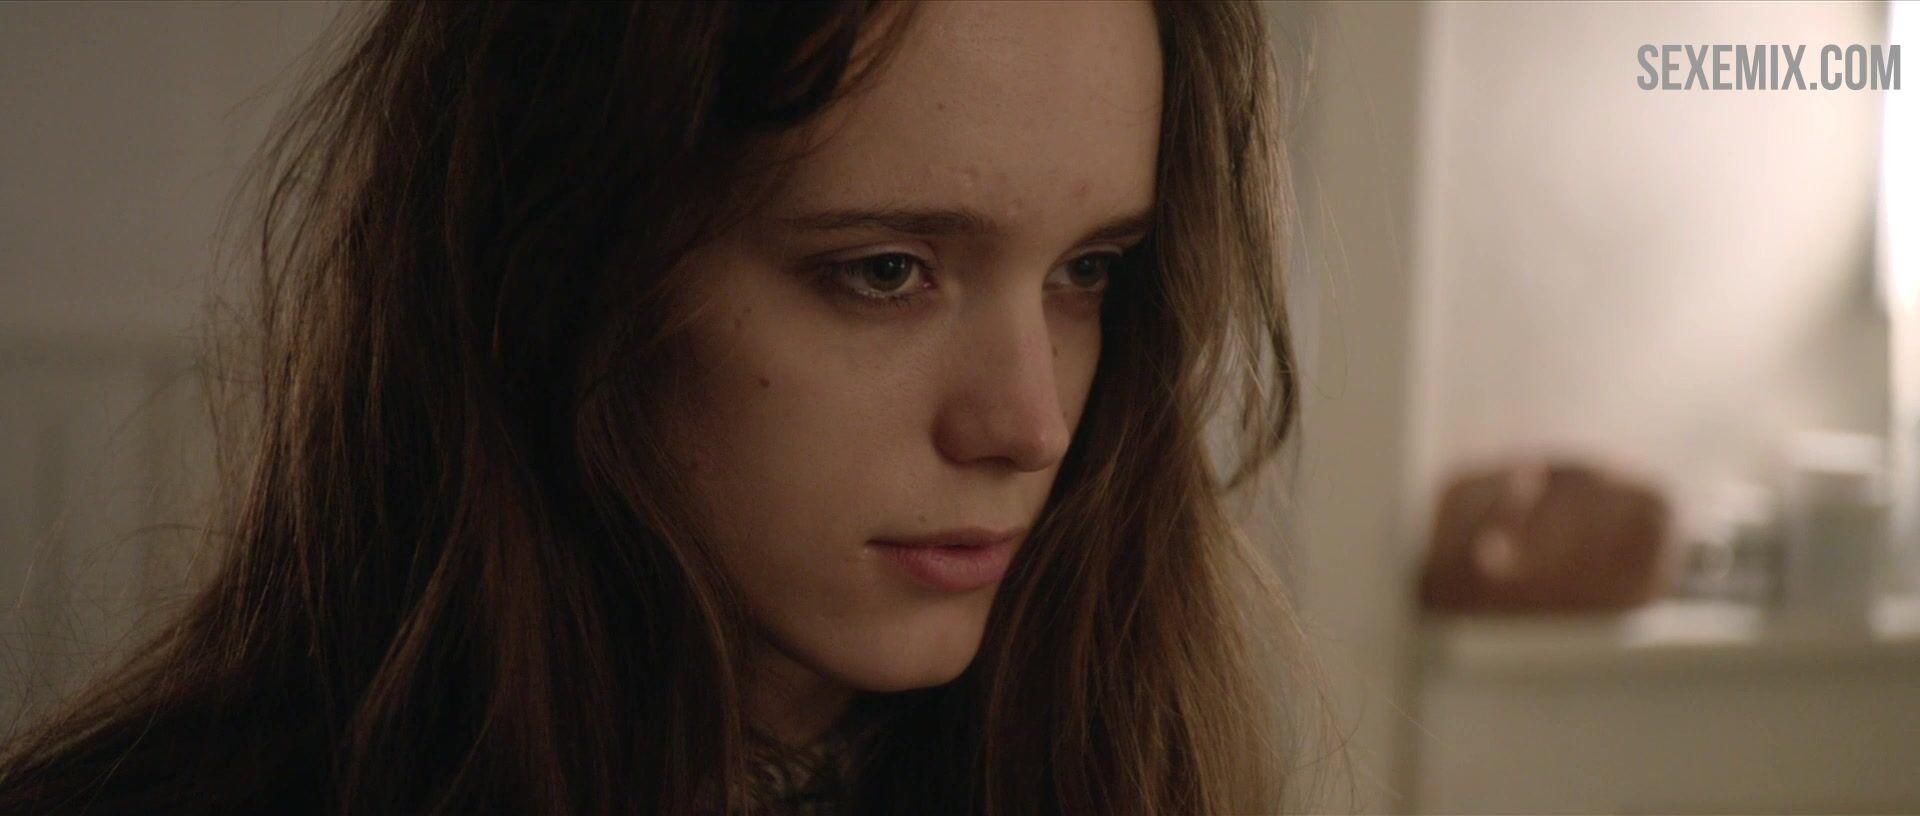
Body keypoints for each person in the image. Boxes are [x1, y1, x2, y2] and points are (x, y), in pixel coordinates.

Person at [0, 1, 1312, 813]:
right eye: (883, 271)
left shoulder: (1135, 774)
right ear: (564, 268)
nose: (1030, 426)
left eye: (1089, 271)